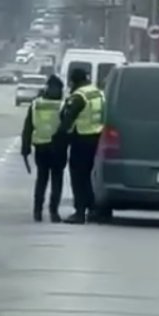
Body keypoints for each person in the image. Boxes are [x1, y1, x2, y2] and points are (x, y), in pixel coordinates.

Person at [54, 68, 105, 224]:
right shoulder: (98, 92)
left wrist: (59, 140)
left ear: (73, 81)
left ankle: (80, 211)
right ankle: (94, 209)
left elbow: (66, 120)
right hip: (98, 138)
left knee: (78, 176)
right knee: (89, 176)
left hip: (82, 139)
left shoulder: (79, 97)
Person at [20, 75, 67, 223]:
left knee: (41, 179)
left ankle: (37, 211)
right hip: (58, 148)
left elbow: (28, 127)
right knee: (57, 181)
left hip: (41, 147)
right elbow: (68, 127)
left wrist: (25, 147)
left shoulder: (36, 104)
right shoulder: (63, 104)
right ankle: (54, 212)